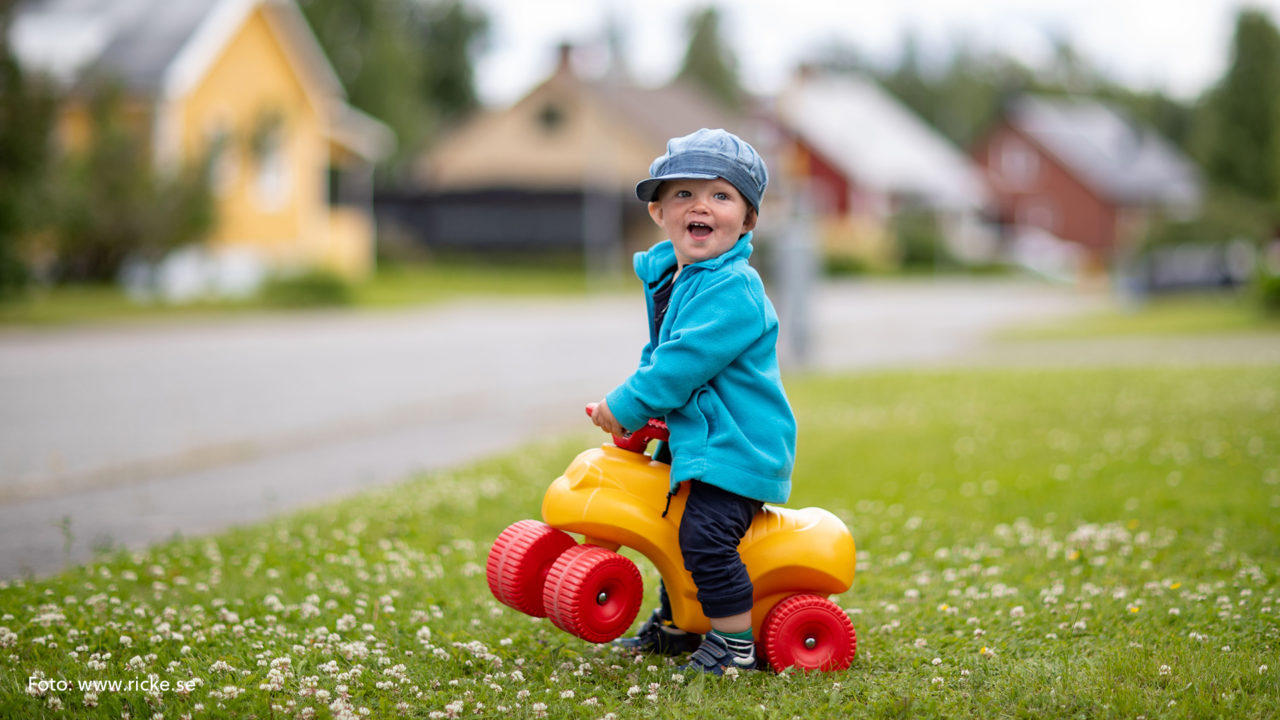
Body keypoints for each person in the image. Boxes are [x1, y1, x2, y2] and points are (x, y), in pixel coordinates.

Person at [589, 128, 797, 675]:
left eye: (721, 195)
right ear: (659, 212)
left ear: (748, 219)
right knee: (669, 529)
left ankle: (734, 645)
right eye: (684, 194)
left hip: (736, 449)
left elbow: (683, 363)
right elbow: (659, 355)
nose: (701, 205)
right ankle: (680, 626)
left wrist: (629, 403)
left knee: (702, 535)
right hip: (695, 440)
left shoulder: (734, 289)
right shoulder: (676, 277)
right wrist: (637, 408)